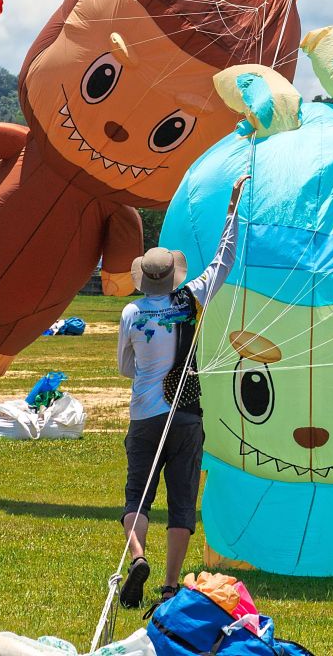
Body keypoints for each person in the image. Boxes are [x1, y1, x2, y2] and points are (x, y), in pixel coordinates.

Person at [117, 173, 248, 608]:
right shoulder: (189, 299)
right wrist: (232, 210)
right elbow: (222, 262)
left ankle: (138, 556)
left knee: (138, 495)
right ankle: (170, 585)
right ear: (171, 276)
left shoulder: (132, 313)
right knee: (181, 501)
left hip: (144, 416)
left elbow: (125, 366)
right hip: (187, 415)